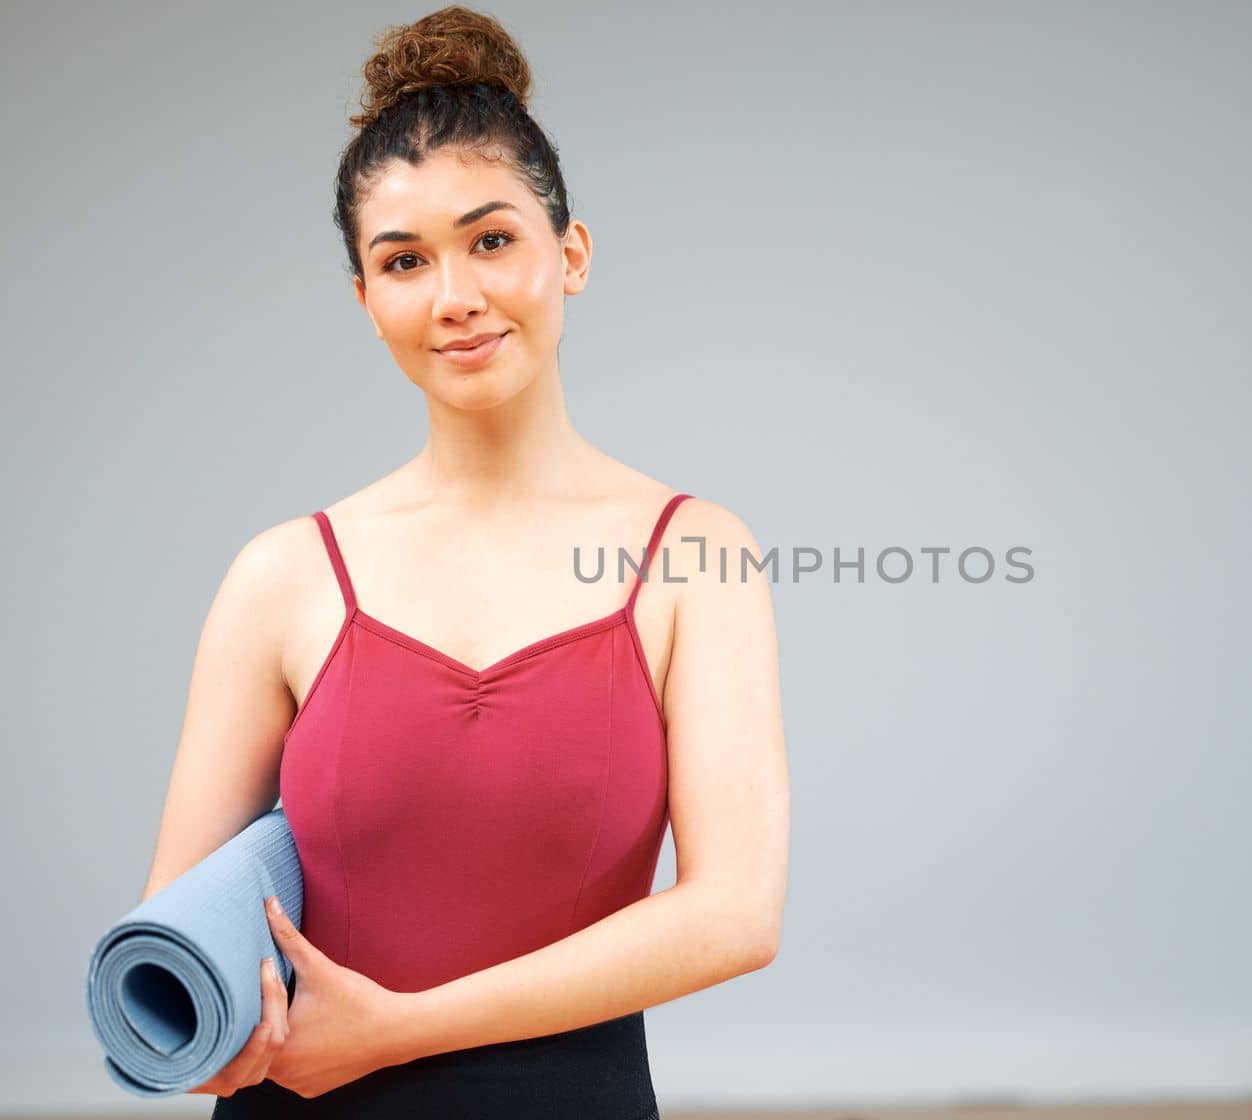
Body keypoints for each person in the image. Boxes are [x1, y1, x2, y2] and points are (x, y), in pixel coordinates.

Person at [133, 6, 789, 1116]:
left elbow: (736, 913)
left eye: (492, 240)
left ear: (569, 254)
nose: (455, 298)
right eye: (404, 261)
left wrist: (400, 1027)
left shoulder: (695, 555)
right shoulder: (282, 576)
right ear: (365, 300)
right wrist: (216, 1028)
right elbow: (179, 935)